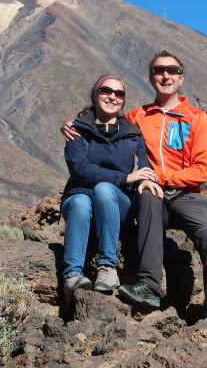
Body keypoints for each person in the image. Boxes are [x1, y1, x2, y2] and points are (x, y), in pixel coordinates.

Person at [63, 51, 207, 320]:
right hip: (153, 195)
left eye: (172, 70)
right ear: (151, 78)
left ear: (181, 77)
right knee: (149, 197)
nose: (166, 75)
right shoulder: (138, 116)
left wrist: (156, 176)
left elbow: (201, 172)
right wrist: (72, 124)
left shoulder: (197, 118)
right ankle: (149, 286)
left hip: (188, 196)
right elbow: (104, 120)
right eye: (159, 71)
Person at [61, 75, 156, 302]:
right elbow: (79, 169)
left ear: (123, 101)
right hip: (79, 196)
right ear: (95, 95)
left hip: (116, 203)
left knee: (104, 189)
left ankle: (107, 268)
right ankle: (72, 276)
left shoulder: (132, 132)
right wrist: (125, 177)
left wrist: (144, 178)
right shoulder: (77, 129)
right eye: (106, 91)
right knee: (81, 202)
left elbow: (144, 163)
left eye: (119, 93)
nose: (112, 97)